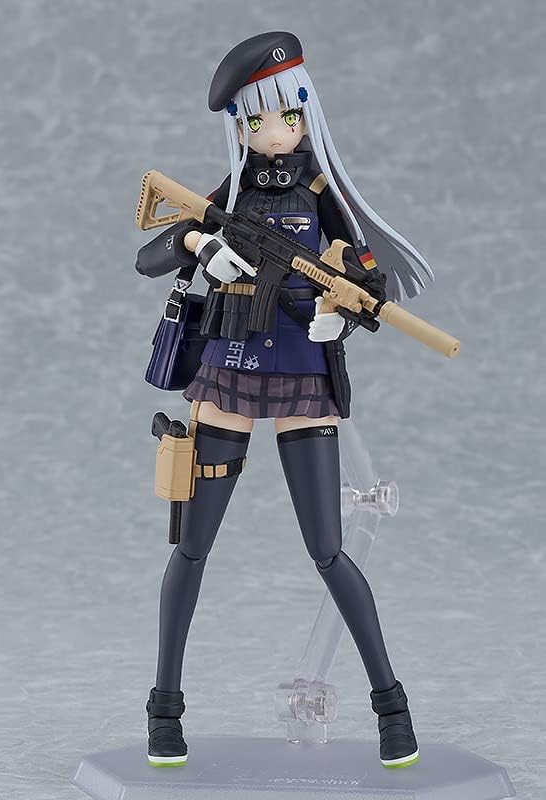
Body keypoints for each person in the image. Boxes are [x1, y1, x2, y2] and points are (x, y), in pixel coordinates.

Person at [136, 31, 434, 770]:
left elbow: (368, 276)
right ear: (240, 126)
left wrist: (343, 314)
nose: (277, 132)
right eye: (260, 119)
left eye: (290, 116)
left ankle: (391, 707)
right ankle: (164, 709)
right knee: (192, 547)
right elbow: (151, 254)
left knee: (328, 549)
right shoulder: (228, 198)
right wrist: (200, 247)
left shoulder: (323, 196)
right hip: (230, 370)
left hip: (303, 371)